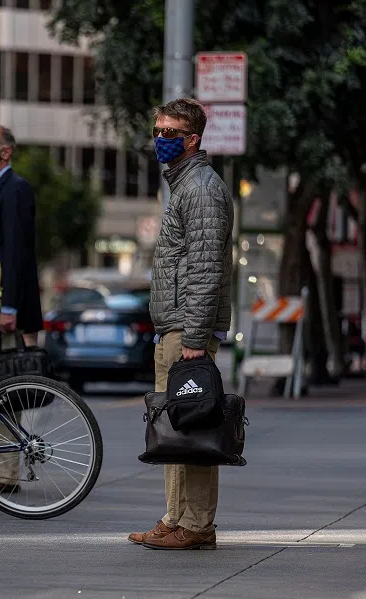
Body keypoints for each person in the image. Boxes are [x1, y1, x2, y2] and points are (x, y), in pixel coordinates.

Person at [129, 98, 233, 550]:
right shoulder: (184, 185)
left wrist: (194, 337)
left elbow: (207, 268)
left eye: (169, 133)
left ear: (192, 139)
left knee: (192, 431)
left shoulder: (203, 190)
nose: (160, 140)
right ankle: (176, 518)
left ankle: (196, 525)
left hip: (185, 333)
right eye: (157, 131)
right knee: (174, 430)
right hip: (173, 327)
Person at [0, 124, 42, 492]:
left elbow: (15, 252)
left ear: (5, 152)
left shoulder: (14, 189)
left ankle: (3, 473)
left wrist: (10, 307)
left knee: (2, 388)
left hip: (5, 310)